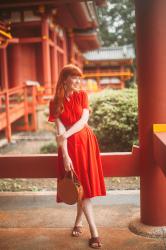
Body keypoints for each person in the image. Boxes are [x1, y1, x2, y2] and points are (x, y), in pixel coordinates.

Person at [48, 64, 106, 249]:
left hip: (86, 144)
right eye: (74, 77)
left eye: (79, 78)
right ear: (64, 79)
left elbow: (83, 121)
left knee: (84, 189)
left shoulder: (82, 95)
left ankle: (94, 232)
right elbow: (59, 129)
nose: (78, 81)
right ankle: (79, 223)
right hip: (69, 149)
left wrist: (65, 135)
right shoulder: (55, 102)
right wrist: (65, 155)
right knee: (77, 187)